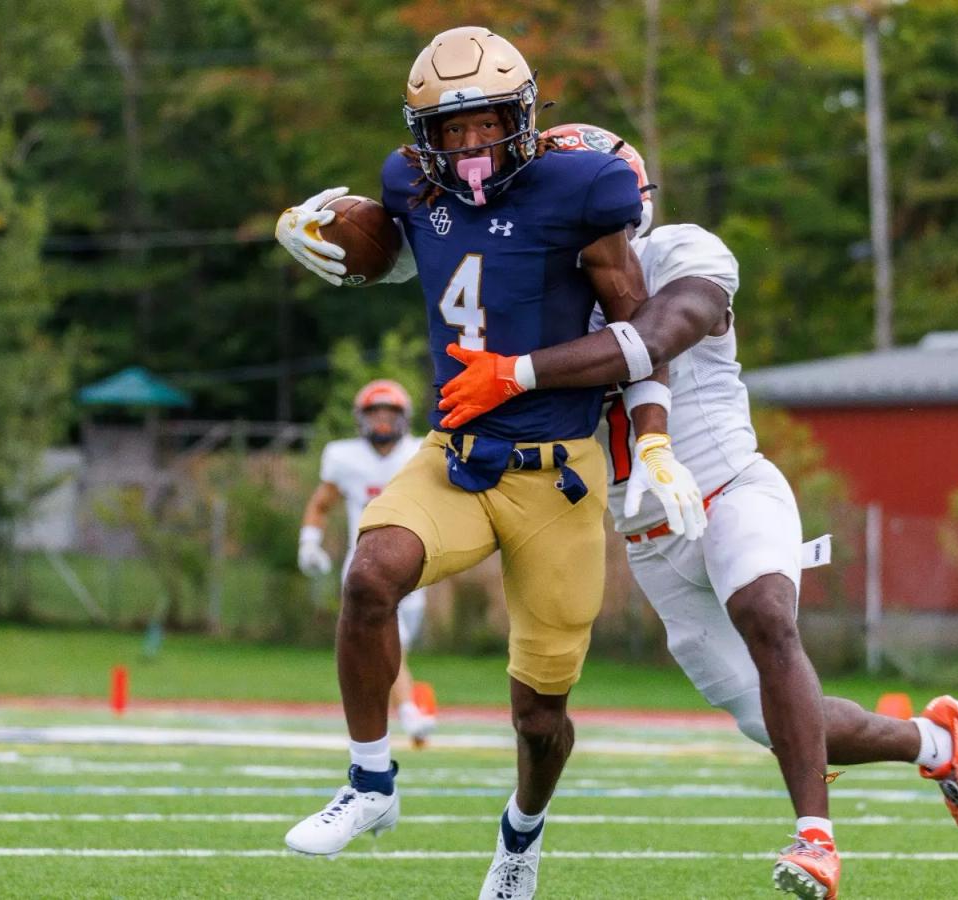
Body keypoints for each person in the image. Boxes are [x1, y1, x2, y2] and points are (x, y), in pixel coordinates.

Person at [438, 124, 958, 900]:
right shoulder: (544, 296)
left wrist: (519, 370)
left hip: (732, 487)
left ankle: (815, 840)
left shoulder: (683, 250)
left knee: (766, 614)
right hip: (651, 540)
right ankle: (932, 741)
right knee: (783, 722)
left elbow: (657, 334)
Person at [273, 27, 707, 898]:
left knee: (539, 716)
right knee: (370, 575)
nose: (470, 144)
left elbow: (639, 331)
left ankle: (521, 834)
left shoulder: (582, 190)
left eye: (486, 124)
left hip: (558, 476)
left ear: (522, 118)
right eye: (452, 128)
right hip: (457, 455)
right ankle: (369, 781)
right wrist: (317, 237)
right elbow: (408, 256)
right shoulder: (409, 182)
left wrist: (654, 437)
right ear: (423, 136)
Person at [298, 379, 436, 746]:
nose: (382, 421)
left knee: (387, 650)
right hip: (365, 566)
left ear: (404, 417)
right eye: (375, 413)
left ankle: (395, 711)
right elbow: (321, 504)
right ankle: (409, 713)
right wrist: (309, 543)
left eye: (389, 413)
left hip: (415, 566)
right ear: (361, 418)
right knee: (389, 640)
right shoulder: (344, 457)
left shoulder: (422, 452)